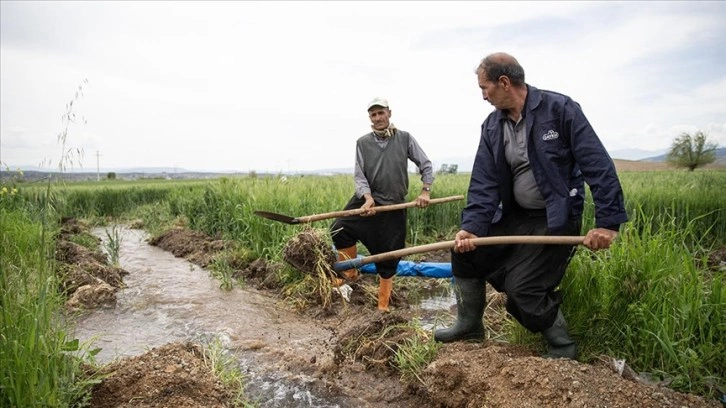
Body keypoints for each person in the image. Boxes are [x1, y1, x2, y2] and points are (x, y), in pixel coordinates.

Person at [434, 53, 628, 359]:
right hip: (516, 217)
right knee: (465, 253)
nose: (483, 95)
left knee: (523, 288)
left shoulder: (560, 110)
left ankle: (563, 347)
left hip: (555, 218)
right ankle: (470, 325)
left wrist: (608, 222)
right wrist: (471, 228)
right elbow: (484, 183)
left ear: (504, 83)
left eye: (485, 88)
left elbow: (597, 164)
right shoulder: (492, 127)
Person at [330, 97, 434, 312]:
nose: (378, 118)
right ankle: (349, 273)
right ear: (370, 118)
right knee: (339, 229)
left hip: (393, 205)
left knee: (390, 255)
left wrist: (425, 191)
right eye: (373, 114)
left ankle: (383, 307)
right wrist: (367, 198)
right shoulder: (362, 142)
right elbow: (359, 176)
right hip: (367, 200)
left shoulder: (404, 138)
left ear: (389, 113)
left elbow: (425, 164)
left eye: (381, 113)